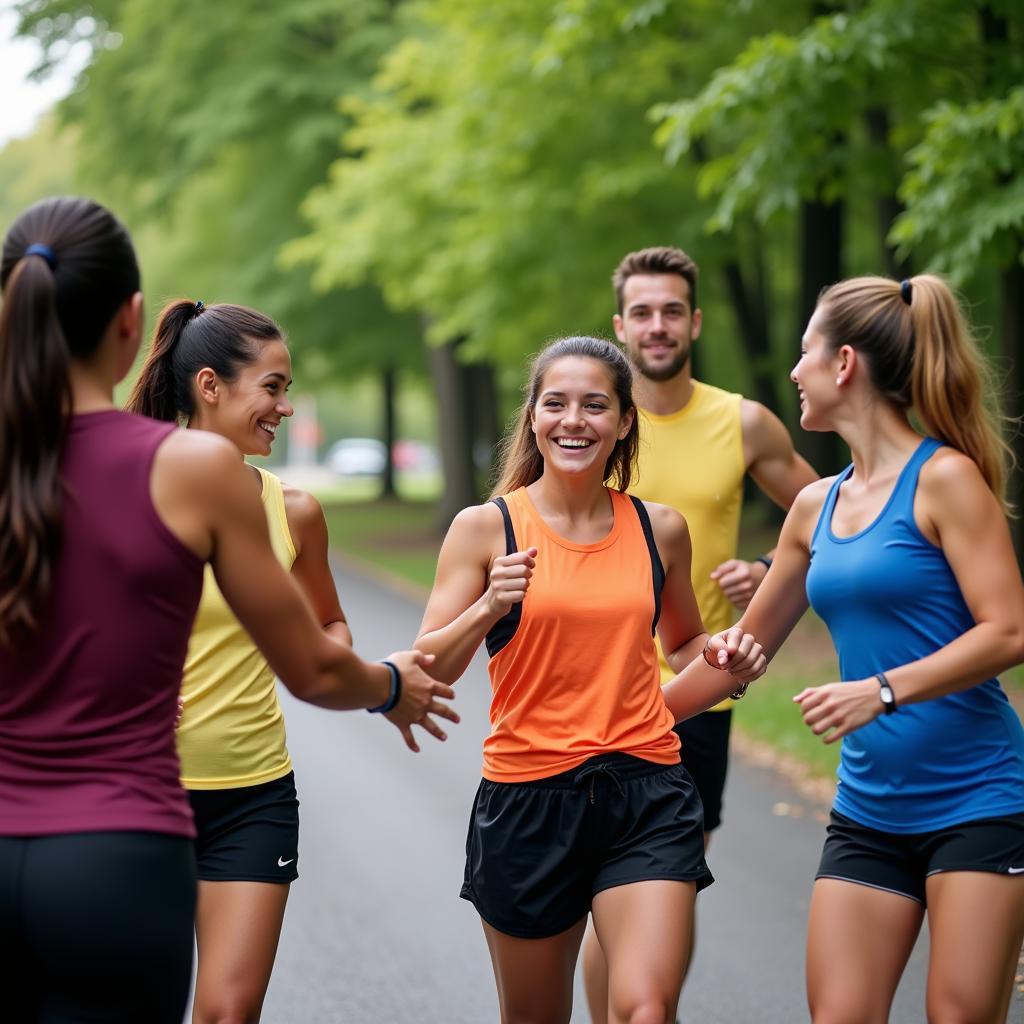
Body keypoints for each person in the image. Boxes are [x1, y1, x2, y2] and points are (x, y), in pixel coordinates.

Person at [0, 196, 456, 1023]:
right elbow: (315, 667)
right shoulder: (189, 471)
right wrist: (391, 686)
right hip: (120, 850)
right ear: (131, 321)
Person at [414, 335, 766, 1024]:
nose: (574, 420)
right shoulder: (487, 529)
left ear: (624, 421)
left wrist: (724, 662)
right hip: (529, 800)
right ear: (534, 418)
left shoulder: (659, 529)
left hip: (648, 793)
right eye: (557, 404)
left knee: (645, 1008)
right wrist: (490, 605)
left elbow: (687, 643)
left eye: (595, 405)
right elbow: (430, 666)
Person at [728, 274, 1024, 1021]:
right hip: (867, 811)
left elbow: (1010, 629)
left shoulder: (946, 480)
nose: (794, 371)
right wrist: (619, 716)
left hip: (979, 800)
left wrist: (881, 689)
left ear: (845, 363)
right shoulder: (811, 506)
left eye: (805, 353)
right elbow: (739, 654)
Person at [584, 245, 819, 1017]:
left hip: (694, 697)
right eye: (642, 313)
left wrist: (766, 566)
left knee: (669, 887)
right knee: (599, 895)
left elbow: (838, 518)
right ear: (621, 325)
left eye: (672, 311)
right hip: (588, 696)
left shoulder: (742, 421)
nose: (657, 326)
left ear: (695, 321)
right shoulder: (591, 422)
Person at [126, 300, 352, 1023]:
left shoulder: (296, 512)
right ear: (210, 386)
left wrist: (328, 666)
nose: (284, 407)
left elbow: (328, 623)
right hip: (134, 795)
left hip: (252, 796)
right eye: (274, 387)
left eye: (287, 390)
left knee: (228, 1011)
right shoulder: (130, 490)